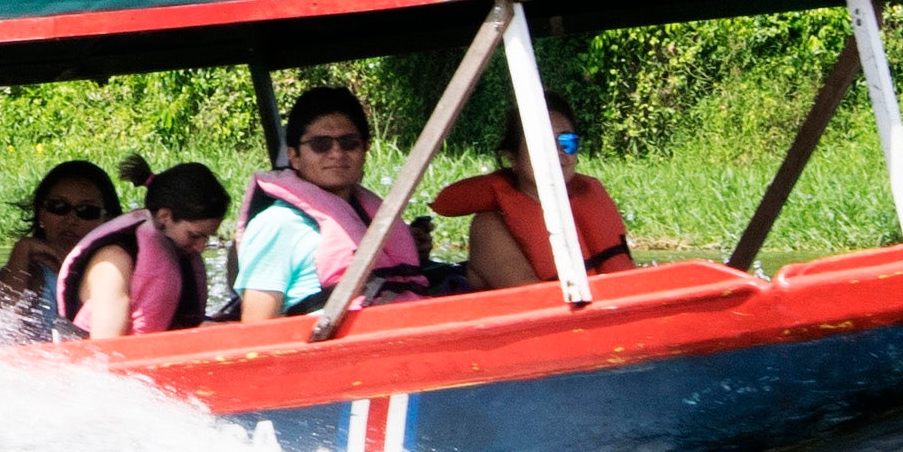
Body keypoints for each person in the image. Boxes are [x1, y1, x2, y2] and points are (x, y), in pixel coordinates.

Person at [234, 85, 436, 324]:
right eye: (320, 144)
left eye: (349, 143)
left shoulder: (373, 220)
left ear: (365, 149)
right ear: (294, 156)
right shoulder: (276, 225)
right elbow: (256, 328)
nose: (337, 153)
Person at [431, 129, 631, 289]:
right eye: (542, 144)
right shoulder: (488, 226)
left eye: (567, 142)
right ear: (513, 158)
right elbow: (534, 301)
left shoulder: (589, 207)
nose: (557, 152)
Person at [58, 159, 231, 339]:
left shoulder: (180, 258)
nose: (200, 248)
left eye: (206, 238)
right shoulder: (113, 263)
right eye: (194, 236)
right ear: (164, 217)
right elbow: (106, 348)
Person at [0, 160, 120, 332]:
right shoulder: (27, 271)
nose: (71, 219)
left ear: (108, 220)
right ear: (41, 214)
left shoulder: (117, 270)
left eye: (87, 210)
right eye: (58, 206)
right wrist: (21, 250)